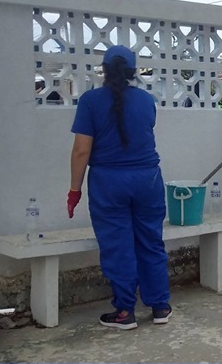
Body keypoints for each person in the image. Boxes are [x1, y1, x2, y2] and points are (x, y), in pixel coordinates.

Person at [67, 45, 171, 330]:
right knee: (151, 241)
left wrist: (74, 190)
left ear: (104, 69)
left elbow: (81, 151)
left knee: (118, 245)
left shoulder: (90, 101)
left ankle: (125, 311)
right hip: (148, 179)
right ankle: (160, 306)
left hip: (108, 182)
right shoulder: (146, 100)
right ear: (133, 72)